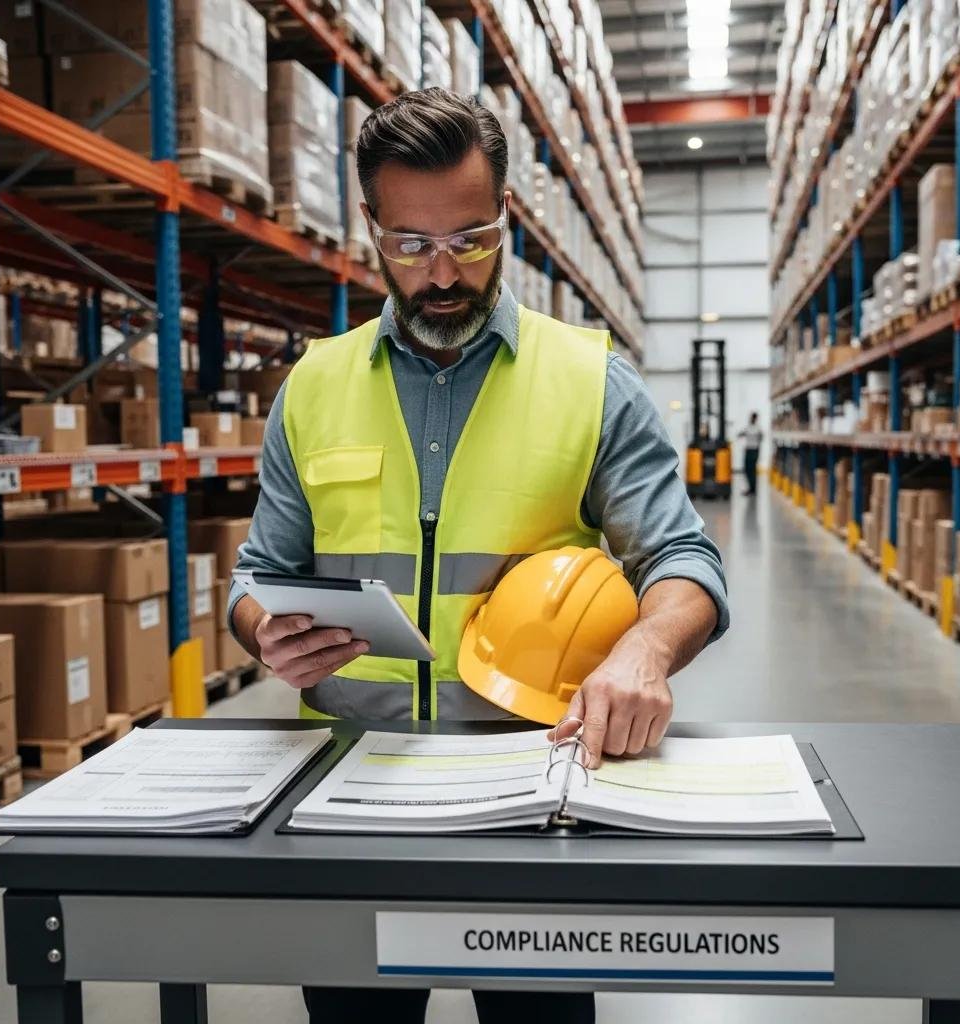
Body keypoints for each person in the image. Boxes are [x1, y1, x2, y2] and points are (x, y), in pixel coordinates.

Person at [229, 88, 729, 1024]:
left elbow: (684, 558)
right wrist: (266, 629)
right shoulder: (313, 387)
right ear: (371, 227)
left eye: (473, 237)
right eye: (411, 245)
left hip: (535, 794)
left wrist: (645, 651)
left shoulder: (590, 380)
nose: (444, 272)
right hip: (349, 795)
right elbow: (255, 573)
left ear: (508, 220)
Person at [738, 411, 763, 495]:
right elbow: (741, 433)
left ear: (755, 418)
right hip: (748, 450)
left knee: (752, 471)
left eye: (752, 417)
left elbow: (761, 437)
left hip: (754, 450)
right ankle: (751, 488)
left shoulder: (758, 428)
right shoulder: (748, 427)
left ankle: (753, 489)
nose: (751, 419)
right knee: (747, 469)